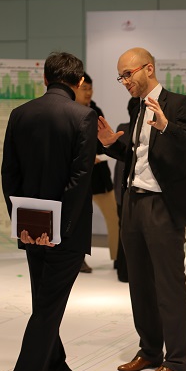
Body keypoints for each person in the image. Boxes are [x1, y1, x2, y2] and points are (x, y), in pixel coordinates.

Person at [99, 47, 186, 371]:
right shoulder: (136, 106)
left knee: (169, 284)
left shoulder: (177, 104)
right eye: (120, 76)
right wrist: (110, 145)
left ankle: (177, 360)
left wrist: (167, 126)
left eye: (128, 74)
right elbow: (138, 157)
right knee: (140, 282)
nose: (124, 81)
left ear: (148, 69)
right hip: (133, 202)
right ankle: (149, 350)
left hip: (163, 206)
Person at [1, 52, 98, 371]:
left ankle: (55, 369)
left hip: (32, 227)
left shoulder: (20, 114)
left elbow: (9, 173)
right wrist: (61, 228)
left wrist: (22, 222)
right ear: (79, 82)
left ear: (45, 79)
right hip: (65, 232)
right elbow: (79, 180)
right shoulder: (83, 116)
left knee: (44, 301)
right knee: (47, 309)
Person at [75, 73, 119, 273]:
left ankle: (119, 258)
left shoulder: (96, 110)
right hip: (78, 176)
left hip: (99, 175)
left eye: (90, 88)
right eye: (84, 89)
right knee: (78, 221)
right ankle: (78, 259)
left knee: (114, 216)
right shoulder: (69, 111)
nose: (88, 92)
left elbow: (102, 140)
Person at [111, 97, 138, 283]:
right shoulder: (137, 131)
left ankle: (122, 268)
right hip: (130, 189)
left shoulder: (123, 128)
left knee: (124, 229)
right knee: (131, 232)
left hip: (121, 189)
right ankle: (126, 270)